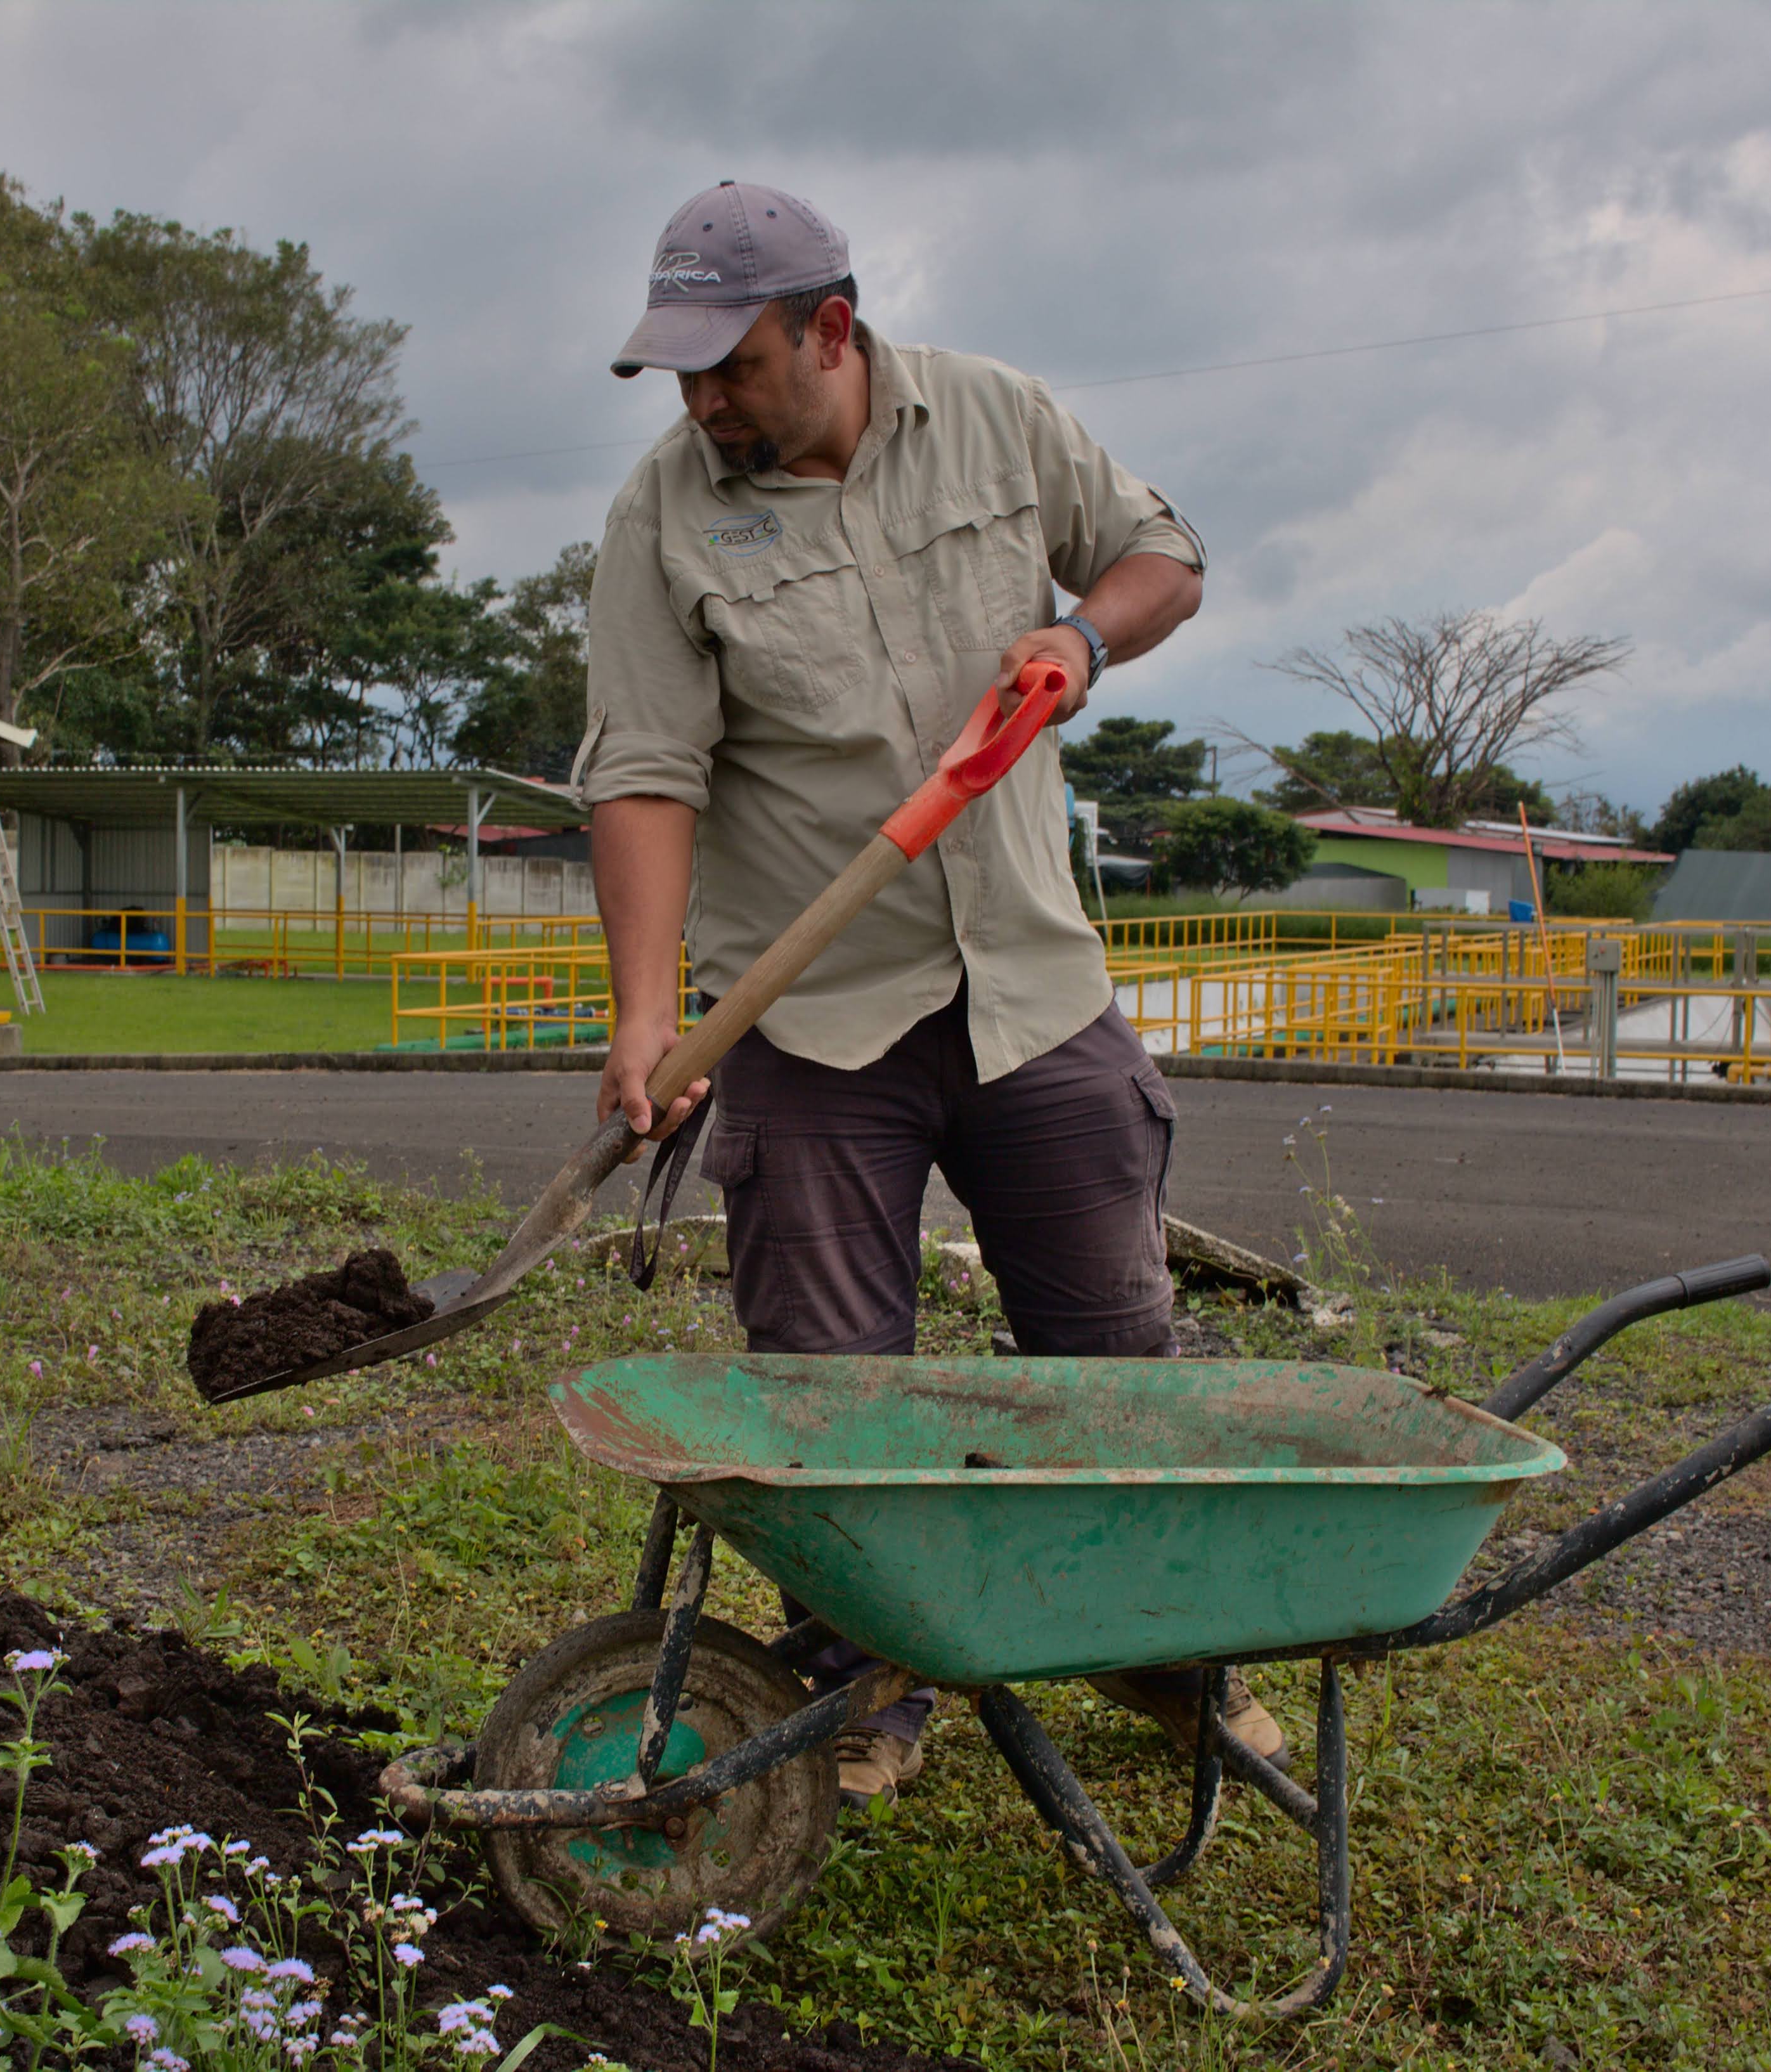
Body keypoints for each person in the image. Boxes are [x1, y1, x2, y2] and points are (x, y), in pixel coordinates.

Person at [576, 179, 1283, 1806]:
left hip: (1031, 985)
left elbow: (1160, 555)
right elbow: (641, 773)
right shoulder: (663, 515)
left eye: (727, 364)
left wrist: (1081, 645)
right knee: (833, 1392)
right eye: (674, 372)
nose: (699, 402)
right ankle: (859, 1678)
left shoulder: (990, 416)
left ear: (829, 328)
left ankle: (1155, 1649)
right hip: (817, 1018)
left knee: (1109, 1351)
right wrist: (644, 1015)